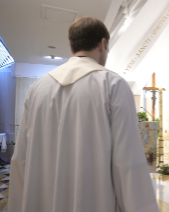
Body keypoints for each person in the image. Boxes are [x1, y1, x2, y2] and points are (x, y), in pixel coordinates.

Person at [8, 17, 159, 212]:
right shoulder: (113, 85)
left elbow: (20, 160)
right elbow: (128, 162)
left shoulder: (37, 88)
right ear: (102, 44)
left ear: (72, 48)